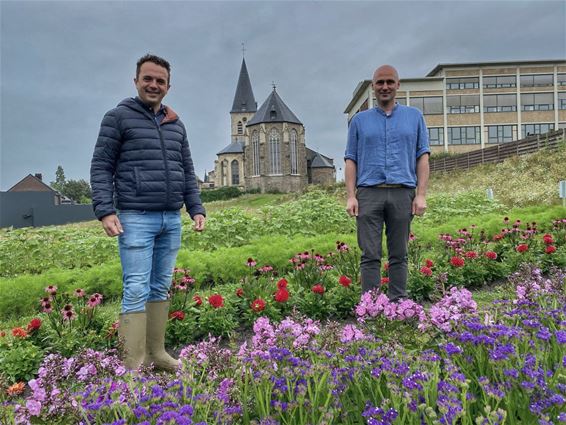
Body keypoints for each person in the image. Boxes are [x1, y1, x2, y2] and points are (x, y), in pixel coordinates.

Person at [90, 54, 205, 372]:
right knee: (137, 287)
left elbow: (187, 169)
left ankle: (156, 352)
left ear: (168, 86)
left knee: (159, 286)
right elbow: (101, 166)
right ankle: (133, 364)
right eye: (148, 79)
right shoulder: (118, 118)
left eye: (161, 81)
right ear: (136, 81)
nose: (154, 85)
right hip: (136, 216)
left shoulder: (175, 124)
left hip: (171, 218)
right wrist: (105, 210)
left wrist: (195, 207)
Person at [344, 65, 430, 300]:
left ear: (398, 85)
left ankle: (398, 304)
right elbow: (351, 159)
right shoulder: (359, 121)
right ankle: (372, 307)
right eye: (380, 82)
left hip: (403, 193)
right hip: (369, 194)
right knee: (370, 254)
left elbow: (422, 156)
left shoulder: (414, 117)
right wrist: (351, 195)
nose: (385, 87)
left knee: (399, 253)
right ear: (373, 87)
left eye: (389, 82)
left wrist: (421, 194)